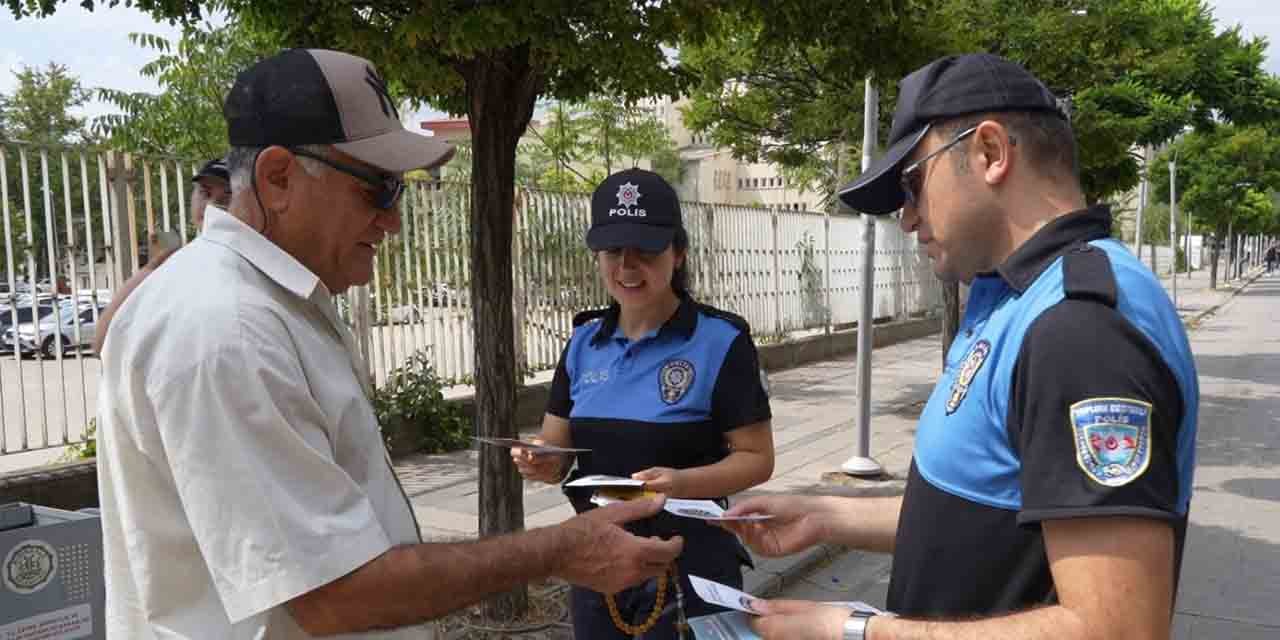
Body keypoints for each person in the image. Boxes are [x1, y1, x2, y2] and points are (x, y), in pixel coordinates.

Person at [96, 49, 683, 640]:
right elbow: (333, 595)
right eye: (378, 188)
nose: (394, 221)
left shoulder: (272, 304)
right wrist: (559, 550)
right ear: (278, 178)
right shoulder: (229, 328)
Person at [719, 53, 1199, 640]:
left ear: (991, 153)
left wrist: (854, 631)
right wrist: (823, 516)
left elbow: (1116, 628)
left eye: (912, 184)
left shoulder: (1079, 331)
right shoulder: (1016, 301)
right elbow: (987, 516)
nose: (908, 218)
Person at [512, 168, 775, 639]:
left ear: (679, 253)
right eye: (614, 252)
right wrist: (540, 460)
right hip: (597, 565)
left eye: (646, 251)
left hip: (689, 569)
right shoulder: (583, 343)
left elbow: (757, 459)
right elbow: (558, 453)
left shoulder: (720, 341)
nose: (627, 267)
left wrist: (681, 484)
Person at [91, 157, 229, 355]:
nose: (211, 206)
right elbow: (102, 342)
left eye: (226, 199)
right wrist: (152, 267)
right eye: (204, 192)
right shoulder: (179, 265)